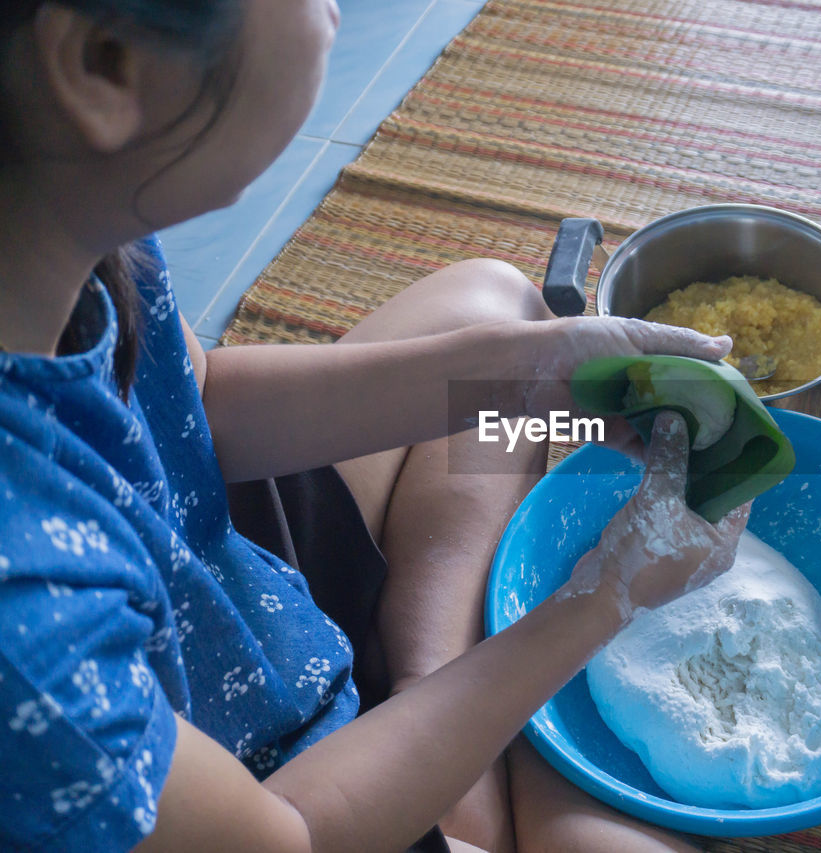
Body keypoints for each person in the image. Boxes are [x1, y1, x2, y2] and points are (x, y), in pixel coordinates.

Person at [0, 2, 752, 851]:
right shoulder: (27, 634)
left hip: (215, 594)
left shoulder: (60, 202)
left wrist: (537, 371)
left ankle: (435, 700)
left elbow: (198, 407)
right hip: (258, 799)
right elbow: (292, 836)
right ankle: (458, 767)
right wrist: (606, 595)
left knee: (490, 304)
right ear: (103, 63)